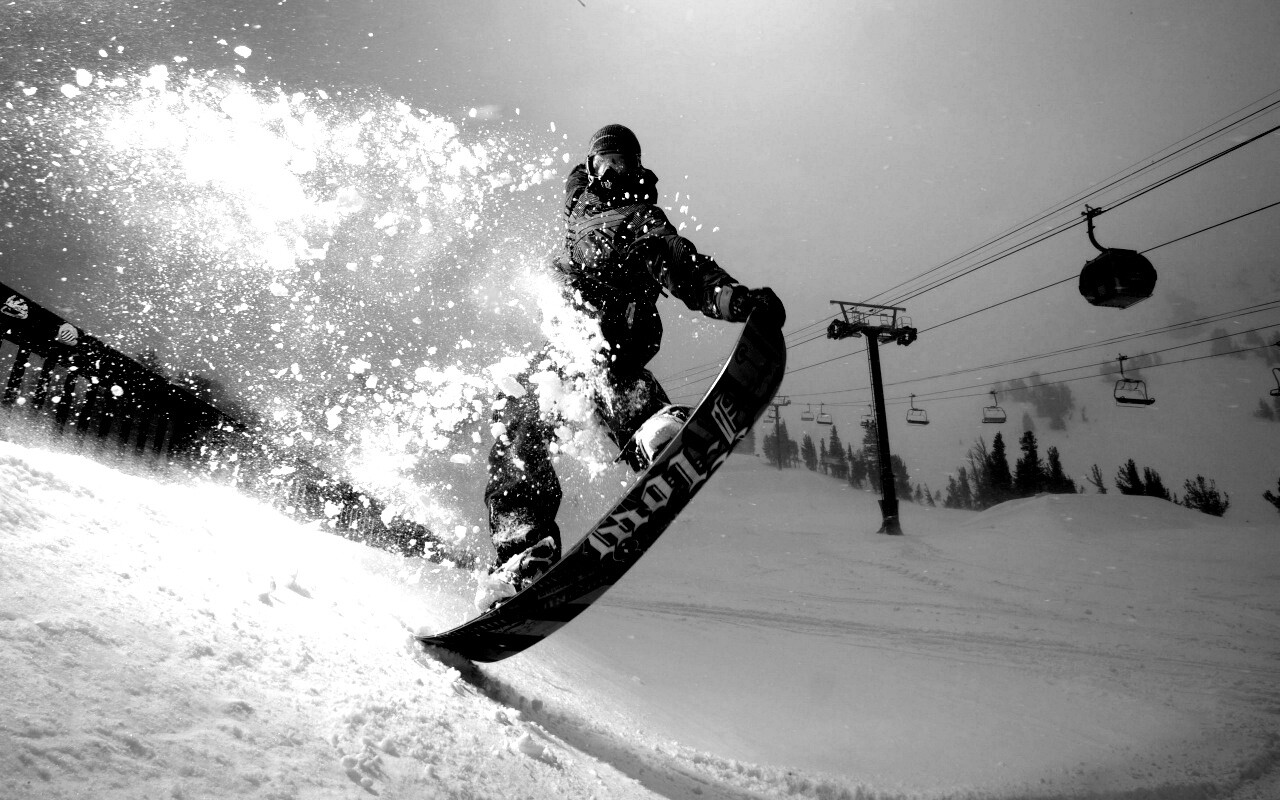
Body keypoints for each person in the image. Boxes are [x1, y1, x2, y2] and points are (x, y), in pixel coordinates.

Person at [476, 124, 785, 611]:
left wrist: (734, 299)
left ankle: (651, 425)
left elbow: (684, 266)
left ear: (637, 169)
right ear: (591, 168)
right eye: (605, 164)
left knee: (603, 364)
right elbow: (574, 186)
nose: (613, 173)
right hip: (565, 344)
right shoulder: (579, 203)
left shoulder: (640, 217)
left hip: (618, 329)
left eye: (623, 164)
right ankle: (523, 550)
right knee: (517, 415)